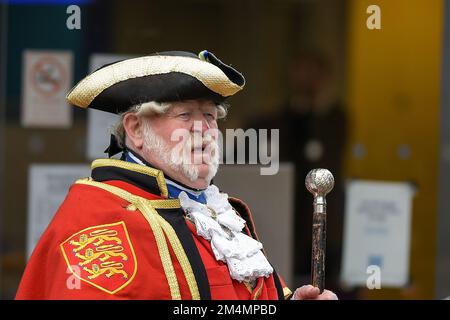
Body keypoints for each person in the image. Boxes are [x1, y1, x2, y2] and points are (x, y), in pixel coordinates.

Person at [16, 50, 337, 300]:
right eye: (185, 115)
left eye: (210, 116)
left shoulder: (220, 214)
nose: (204, 130)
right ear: (136, 129)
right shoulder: (98, 218)